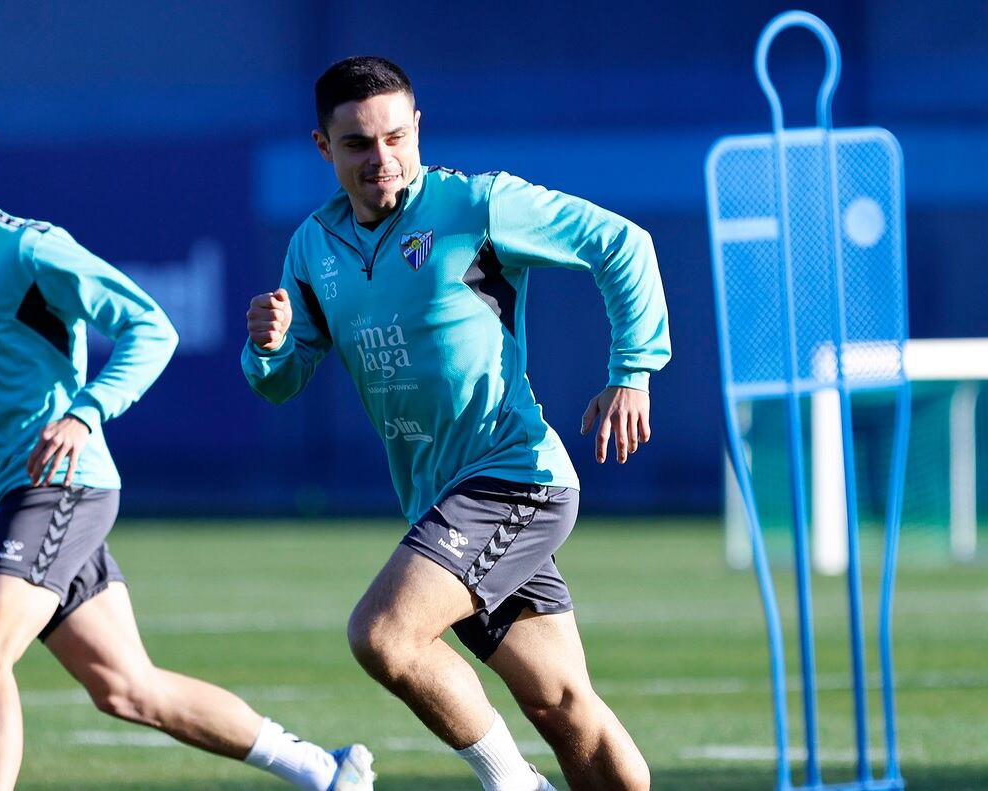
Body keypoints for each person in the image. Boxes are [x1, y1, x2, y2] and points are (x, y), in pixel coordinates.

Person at [0, 89, 374, 791]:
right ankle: (324, 771)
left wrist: (85, 412)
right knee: (128, 688)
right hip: (3, 497)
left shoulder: (27, 247)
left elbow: (153, 327)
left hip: (62, 481)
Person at [242, 57, 668, 791]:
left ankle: (514, 784)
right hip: (440, 500)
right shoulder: (312, 248)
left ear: (417, 129)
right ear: (323, 147)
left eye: (395, 137)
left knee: (384, 634)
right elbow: (284, 383)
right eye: (357, 144)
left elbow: (622, 245)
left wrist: (631, 371)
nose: (381, 158)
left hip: (512, 475)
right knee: (561, 703)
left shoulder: (479, 204)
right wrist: (266, 347)